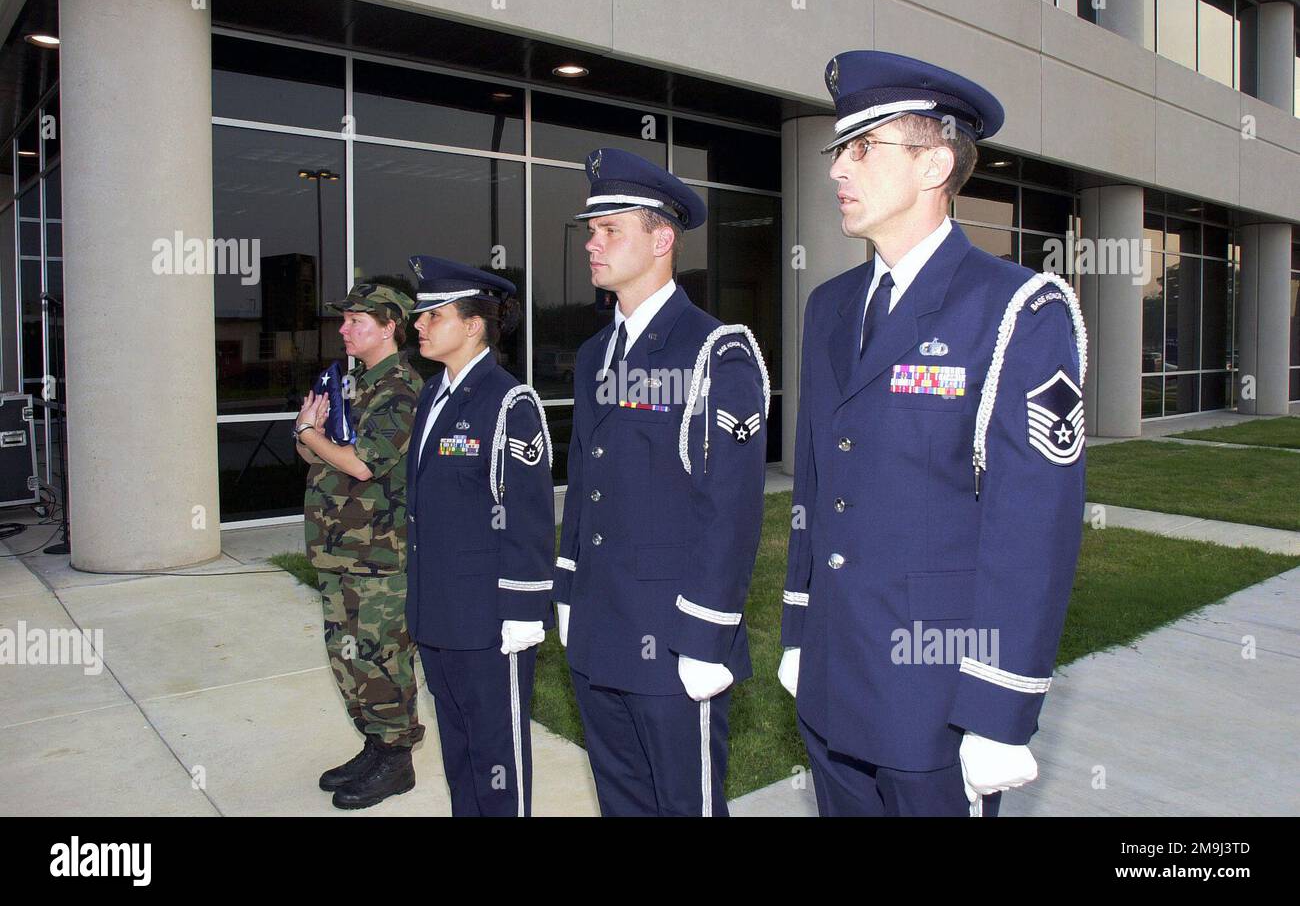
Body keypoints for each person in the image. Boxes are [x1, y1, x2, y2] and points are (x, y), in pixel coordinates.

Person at [778, 50, 1088, 817]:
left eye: (862, 148)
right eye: (837, 151)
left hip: (935, 699)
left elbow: (1032, 527)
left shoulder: (1018, 308)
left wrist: (1000, 707)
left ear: (934, 164)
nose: (837, 171)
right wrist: (798, 627)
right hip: (833, 675)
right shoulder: (831, 306)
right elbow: (818, 484)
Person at [553, 148, 771, 816]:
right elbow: (586, 482)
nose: (592, 244)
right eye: (591, 231)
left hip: (674, 641)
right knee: (621, 800)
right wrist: (567, 588)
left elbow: (731, 510)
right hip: (599, 628)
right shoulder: (595, 354)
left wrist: (707, 637)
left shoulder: (714, 351)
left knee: (687, 805)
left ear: (661, 239)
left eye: (609, 229)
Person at [404, 255, 555, 817]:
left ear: (473, 325)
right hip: (439, 611)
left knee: (497, 756)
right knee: (459, 751)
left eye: (433, 314)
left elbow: (529, 516)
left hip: (490, 619)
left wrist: (522, 610)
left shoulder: (509, 401)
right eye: (420, 315)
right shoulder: (432, 396)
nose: (418, 324)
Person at [296, 281, 426, 810]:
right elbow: (322, 457)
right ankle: (376, 744)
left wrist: (308, 434)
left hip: (377, 557)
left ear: (390, 326)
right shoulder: (352, 384)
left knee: (381, 659)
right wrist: (313, 436)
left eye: (357, 321)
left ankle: (397, 760)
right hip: (339, 552)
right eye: (344, 320)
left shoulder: (399, 389)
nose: (345, 330)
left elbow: (363, 462)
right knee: (347, 658)